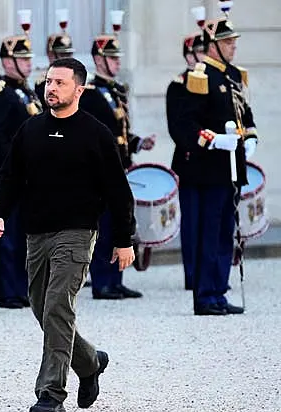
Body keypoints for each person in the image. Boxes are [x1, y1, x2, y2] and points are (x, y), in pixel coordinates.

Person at [0, 57, 135, 412]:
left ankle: (51, 393)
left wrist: (124, 239)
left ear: (78, 89)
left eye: (60, 83)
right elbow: (9, 176)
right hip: (36, 235)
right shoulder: (31, 129)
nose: (51, 88)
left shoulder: (96, 133)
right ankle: (89, 362)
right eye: (48, 82)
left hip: (78, 233)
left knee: (57, 307)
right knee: (41, 307)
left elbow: (118, 191)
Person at [167, 6, 255, 315]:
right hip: (210, 168)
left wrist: (251, 135)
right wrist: (214, 139)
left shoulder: (231, 76)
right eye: (228, 42)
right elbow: (185, 124)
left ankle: (218, 290)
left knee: (224, 233)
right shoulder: (199, 77)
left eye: (234, 41)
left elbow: (242, 111)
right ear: (214, 44)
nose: (233, 46)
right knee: (208, 232)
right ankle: (204, 295)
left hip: (231, 168)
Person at [79, 14, 155, 300]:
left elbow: (120, 131)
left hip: (121, 168)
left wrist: (137, 142)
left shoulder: (116, 90)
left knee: (122, 225)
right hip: (102, 173)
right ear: (99, 61)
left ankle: (117, 278)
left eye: (117, 57)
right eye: (111, 58)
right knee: (105, 228)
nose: (117, 62)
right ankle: (103, 282)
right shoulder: (91, 93)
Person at [0, 29, 42, 309]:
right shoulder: (1, 93)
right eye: (22, 58)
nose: (28, 63)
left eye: (29, 57)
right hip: (9, 173)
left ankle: (21, 288)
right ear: (8, 62)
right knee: (7, 234)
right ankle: (8, 291)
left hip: (30, 175)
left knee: (23, 234)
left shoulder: (26, 91)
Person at [166, 8, 206, 292]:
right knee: (192, 223)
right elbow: (178, 128)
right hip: (192, 162)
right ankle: (193, 275)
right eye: (199, 53)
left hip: (218, 162)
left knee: (214, 222)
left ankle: (213, 273)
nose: (203, 57)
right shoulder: (179, 86)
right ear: (189, 56)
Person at [35, 9, 75, 107]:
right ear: (51, 55)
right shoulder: (44, 84)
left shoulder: (76, 79)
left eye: (69, 55)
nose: (67, 59)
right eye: (63, 55)